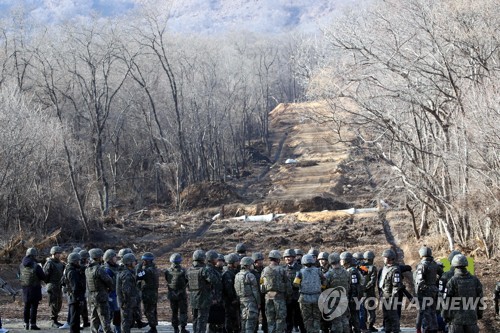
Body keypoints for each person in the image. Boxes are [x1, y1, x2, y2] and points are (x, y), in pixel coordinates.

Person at [442, 254, 483, 333]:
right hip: (471, 319)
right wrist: (479, 313)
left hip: (456, 321)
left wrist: (445, 316)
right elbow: (480, 298)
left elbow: (446, 300)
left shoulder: (452, 281)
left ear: (454, 265)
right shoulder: (475, 280)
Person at [261, 250, 291, 333]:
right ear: (278, 259)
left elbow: (262, 284)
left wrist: (265, 293)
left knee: (270, 317)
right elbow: (288, 284)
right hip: (279, 296)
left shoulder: (265, 270)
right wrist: (288, 296)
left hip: (269, 295)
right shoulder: (282, 270)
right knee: (280, 317)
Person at [85, 248, 115, 333]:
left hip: (91, 297)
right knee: (105, 318)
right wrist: (110, 288)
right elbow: (109, 281)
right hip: (101, 296)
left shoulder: (87, 269)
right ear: (98, 257)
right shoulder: (99, 269)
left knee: (94, 318)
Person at [187, 250, 217, 333]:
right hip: (203, 299)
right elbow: (213, 280)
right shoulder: (204, 270)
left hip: (193, 299)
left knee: (195, 320)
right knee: (202, 321)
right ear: (203, 259)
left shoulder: (189, 270)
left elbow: (187, 283)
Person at [414, 246, 442, 333]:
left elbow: (420, 280)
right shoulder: (434, 264)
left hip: (425, 291)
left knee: (425, 312)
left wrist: (423, 289)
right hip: (434, 290)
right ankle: (434, 328)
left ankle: (426, 329)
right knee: (433, 311)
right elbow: (442, 274)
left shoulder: (421, 265)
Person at [293, 254, 323, 333]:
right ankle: (316, 331)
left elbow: (295, 284)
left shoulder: (300, 272)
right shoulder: (318, 271)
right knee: (316, 317)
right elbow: (324, 281)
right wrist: (320, 287)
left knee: (307, 318)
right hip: (317, 297)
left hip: (305, 298)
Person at [19, 247, 46, 330]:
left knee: (26, 306)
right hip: (35, 288)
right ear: (34, 256)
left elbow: (18, 275)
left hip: (25, 288)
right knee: (34, 307)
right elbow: (43, 277)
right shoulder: (36, 266)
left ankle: (25, 324)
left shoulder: (21, 265)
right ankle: (33, 324)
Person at [324, 252, 350, 333]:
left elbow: (324, 287)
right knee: (345, 320)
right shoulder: (346, 272)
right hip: (344, 299)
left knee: (336, 321)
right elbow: (349, 285)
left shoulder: (328, 274)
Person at [378, 249, 403, 333]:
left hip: (391, 297)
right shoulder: (385, 268)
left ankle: (395, 330)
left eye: (385, 257)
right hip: (385, 296)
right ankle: (387, 330)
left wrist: (393, 299)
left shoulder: (395, 270)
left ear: (390, 258)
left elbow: (396, 286)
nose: (383, 259)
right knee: (386, 316)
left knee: (393, 316)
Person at [165, 253, 189, 333]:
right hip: (182, 295)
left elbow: (167, 280)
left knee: (174, 312)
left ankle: (175, 328)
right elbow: (187, 281)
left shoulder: (167, 271)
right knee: (183, 312)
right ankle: (183, 328)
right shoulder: (184, 271)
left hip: (172, 295)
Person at [236, 257, 260, 333]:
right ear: (248, 265)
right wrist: (258, 302)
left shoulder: (237, 275)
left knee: (243, 320)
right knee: (250, 322)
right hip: (250, 301)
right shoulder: (250, 275)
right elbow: (255, 291)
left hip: (241, 300)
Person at [63, 253, 86, 333]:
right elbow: (75, 286)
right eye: (78, 261)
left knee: (75, 316)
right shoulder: (72, 272)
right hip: (75, 297)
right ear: (75, 261)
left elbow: (62, 282)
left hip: (72, 296)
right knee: (74, 317)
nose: (79, 262)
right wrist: (79, 298)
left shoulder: (68, 269)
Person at [43, 246, 66, 328]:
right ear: (53, 254)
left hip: (58, 285)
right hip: (52, 285)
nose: (59, 255)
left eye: (59, 253)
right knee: (53, 303)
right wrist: (50, 283)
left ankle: (55, 320)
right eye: (58, 253)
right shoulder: (49, 263)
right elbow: (45, 276)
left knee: (58, 303)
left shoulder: (60, 263)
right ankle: (53, 320)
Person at [117, 253, 139, 333]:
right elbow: (126, 290)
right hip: (127, 302)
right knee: (126, 322)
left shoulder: (127, 272)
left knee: (127, 321)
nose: (135, 263)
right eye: (133, 261)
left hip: (127, 301)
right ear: (128, 263)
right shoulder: (127, 274)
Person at [283, 249, 304, 333]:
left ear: (294, 257)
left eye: (289, 257)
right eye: (286, 257)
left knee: (300, 318)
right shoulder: (283, 269)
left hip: (298, 297)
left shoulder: (300, 268)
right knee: (288, 319)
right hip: (287, 298)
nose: (287, 259)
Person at [340, 252, 362, 333]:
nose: (340, 261)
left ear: (346, 261)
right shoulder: (346, 270)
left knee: (354, 317)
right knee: (348, 317)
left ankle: (357, 330)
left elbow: (354, 286)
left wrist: (352, 298)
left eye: (342, 260)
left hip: (352, 298)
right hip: (348, 297)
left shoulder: (352, 271)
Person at [138, 252, 159, 333]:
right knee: (153, 311)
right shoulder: (154, 269)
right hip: (153, 294)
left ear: (147, 261)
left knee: (148, 311)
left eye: (144, 260)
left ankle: (153, 328)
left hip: (148, 295)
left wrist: (139, 267)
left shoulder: (147, 271)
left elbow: (138, 275)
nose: (143, 262)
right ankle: (153, 328)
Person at [222, 253, 241, 333]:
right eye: (237, 261)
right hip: (229, 300)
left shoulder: (232, 271)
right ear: (232, 262)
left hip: (231, 300)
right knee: (229, 318)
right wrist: (233, 298)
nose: (238, 263)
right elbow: (229, 288)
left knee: (234, 318)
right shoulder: (227, 273)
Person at [103, 249, 121, 333]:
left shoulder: (117, 267)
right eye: (114, 257)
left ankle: (117, 329)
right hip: (111, 294)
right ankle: (102, 329)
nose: (116, 258)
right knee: (109, 314)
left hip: (117, 293)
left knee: (117, 312)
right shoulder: (107, 269)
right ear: (109, 258)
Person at [206, 250, 224, 333]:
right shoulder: (208, 270)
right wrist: (213, 298)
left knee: (218, 323)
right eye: (216, 258)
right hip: (212, 300)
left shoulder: (214, 270)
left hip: (217, 300)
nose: (217, 260)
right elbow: (211, 285)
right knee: (211, 324)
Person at [361, 251, 378, 332]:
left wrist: (362, 288)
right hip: (370, 292)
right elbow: (373, 281)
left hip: (362, 293)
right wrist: (366, 287)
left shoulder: (361, 267)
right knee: (371, 310)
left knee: (363, 310)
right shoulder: (372, 268)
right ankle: (370, 326)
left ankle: (363, 326)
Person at [251, 252, 268, 333]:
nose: (260, 262)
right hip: (255, 298)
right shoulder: (251, 273)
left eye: (261, 260)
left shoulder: (266, 271)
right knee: (254, 317)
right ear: (254, 262)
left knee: (266, 316)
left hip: (265, 297)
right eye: (258, 260)